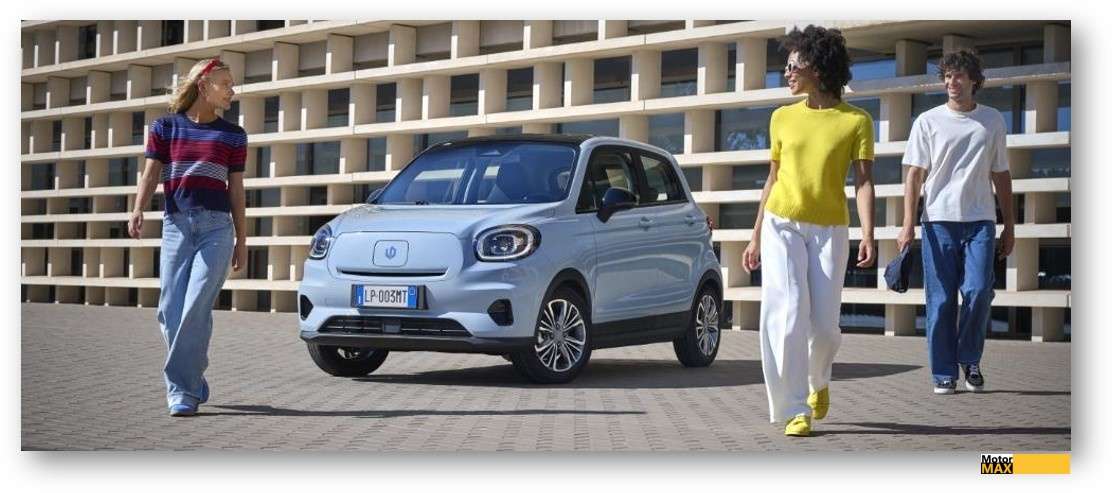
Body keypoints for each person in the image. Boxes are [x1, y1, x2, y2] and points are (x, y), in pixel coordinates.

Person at [742, 25, 876, 437]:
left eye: (794, 65)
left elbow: (864, 182)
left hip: (830, 229)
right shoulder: (781, 117)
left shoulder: (856, 121)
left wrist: (869, 233)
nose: (786, 72)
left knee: (825, 328)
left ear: (817, 68)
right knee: (789, 312)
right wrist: (755, 234)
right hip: (781, 223)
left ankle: (819, 380)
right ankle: (795, 408)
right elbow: (773, 179)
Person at [128, 58, 248, 417]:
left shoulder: (233, 135)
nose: (232, 90)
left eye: (232, 84)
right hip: (176, 226)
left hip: (217, 229)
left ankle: (182, 390)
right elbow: (151, 174)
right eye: (225, 83)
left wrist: (242, 240)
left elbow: (236, 190)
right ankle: (192, 374)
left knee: (196, 306)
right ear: (203, 86)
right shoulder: (165, 127)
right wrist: (137, 208)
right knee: (169, 310)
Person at [898, 49, 1015, 395]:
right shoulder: (928, 121)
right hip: (938, 222)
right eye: (948, 76)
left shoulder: (992, 120)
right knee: (942, 302)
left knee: (978, 292)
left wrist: (1010, 225)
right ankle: (943, 372)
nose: (952, 82)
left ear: (974, 80)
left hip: (980, 221)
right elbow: (914, 175)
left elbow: (1001, 174)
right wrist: (907, 224)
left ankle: (970, 358)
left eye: (959, 75)